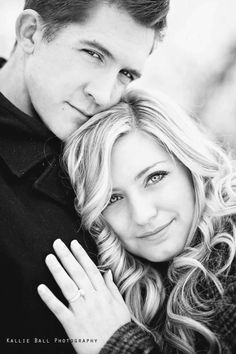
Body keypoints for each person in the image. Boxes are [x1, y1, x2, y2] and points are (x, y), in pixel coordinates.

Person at [0, 1, 169, 353]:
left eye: (127, 74)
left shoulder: (128, 145)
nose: (104, 94)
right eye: (93, 54)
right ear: (31, 32)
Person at [38, 88, 236, 354]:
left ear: (191, 165)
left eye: (155, 178)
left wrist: (118, 345)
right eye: (112, 199)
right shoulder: (139, 287)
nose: (142, 215)